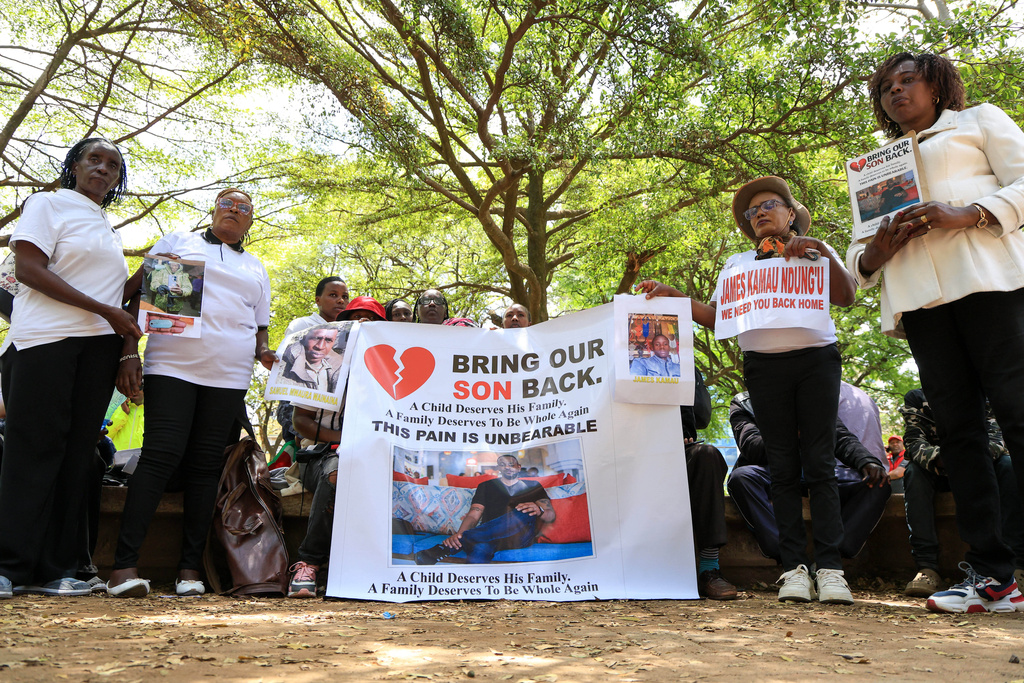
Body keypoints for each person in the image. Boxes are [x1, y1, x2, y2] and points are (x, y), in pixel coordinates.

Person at [846, 51, 1024, 613]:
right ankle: (993, 576)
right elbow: (859, 253)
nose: (895, 93)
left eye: (907, 81)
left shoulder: (979, 121)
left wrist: (970, 212)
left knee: (1019, 415)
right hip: (922, 304)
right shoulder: (877, 165)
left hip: (991, 286)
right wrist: (872, 255)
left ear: (938, 86)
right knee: (960, 434)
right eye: (885, 88)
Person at [639, 175, 858, 604]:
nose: (758, 214)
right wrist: (675, 297)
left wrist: (820, 252)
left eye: (768, 205)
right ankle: (794, 569)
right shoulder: (737, 264)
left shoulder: (816, 250)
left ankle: (831, 569)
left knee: (818, 460)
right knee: (781, 465)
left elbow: (847, 294)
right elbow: (721, 317)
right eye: (750, 211)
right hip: (763, 368)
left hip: (816, 361)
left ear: (790, 213)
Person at [107, 188, 275, 598]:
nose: (234, 211)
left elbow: (261, 327)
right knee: (161, 456)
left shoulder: (255, 268)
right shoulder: (178, 242)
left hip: (230, 374)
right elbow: (135, 296)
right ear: (213, 210)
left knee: (204, 467)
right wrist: (130, 353)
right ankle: (123, 567)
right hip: (172, 367)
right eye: (227, 204)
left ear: (250, 221)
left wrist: (268, 355)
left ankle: (189, 571)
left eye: (243, 209)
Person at [0, 138, 142, 599]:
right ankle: (9, 567)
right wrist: (106, 310)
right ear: (74, 166)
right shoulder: (46, 204)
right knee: (31, 453)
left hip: (97, 352)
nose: (103, 169)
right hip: (44, 341)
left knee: (78, 458)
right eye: (94, 160)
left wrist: (127, 341)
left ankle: (62, 570)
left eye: (113, 165)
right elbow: (28, 269)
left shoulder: (107, 227)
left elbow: (119, 299)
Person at [727, 391, 890, 567]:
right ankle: (789, 560)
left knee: (878, 483)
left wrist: (867, 461)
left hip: (818, 470)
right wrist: (793, 434)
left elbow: (840, 437)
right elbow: (751, 446)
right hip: (771, 470)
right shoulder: (743, 402)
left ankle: (832, 559)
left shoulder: (812, 394)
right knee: (741, 478)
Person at [899, 389, 1024, 599]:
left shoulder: (986, 393)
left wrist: (966, 459)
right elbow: (913, 442)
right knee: (913, 472)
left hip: (981, 465)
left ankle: (1016, 566)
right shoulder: (918, 398)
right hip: (939, 467)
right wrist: (945, 458)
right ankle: (927, 568)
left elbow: (997, 438)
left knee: (1008, 466)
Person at [414, 455, 555, 564]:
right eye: (503, 465)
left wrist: (539, 509)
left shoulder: (533, 486)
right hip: (487, 537)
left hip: (519, 536)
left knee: (523, 512)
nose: (507, 467)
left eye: (511, 464)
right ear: (498, 468)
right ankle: (470, 594)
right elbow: (474, 515)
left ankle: (451, 545)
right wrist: (459, 536)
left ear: (518, 467)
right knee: (480, 549)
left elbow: (550, 515)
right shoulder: (486, 486)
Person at [280, 325, 341, 393]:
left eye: (328, 340)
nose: (320, 346)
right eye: (316, 338)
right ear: (304, 338)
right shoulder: (283, 367)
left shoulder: (338, 369)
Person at [283, 276, 349, 338]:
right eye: (333, 295)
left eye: (345, 296)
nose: (341, 300)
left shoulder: (351, 329)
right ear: (318, 300)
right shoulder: (302, 325)